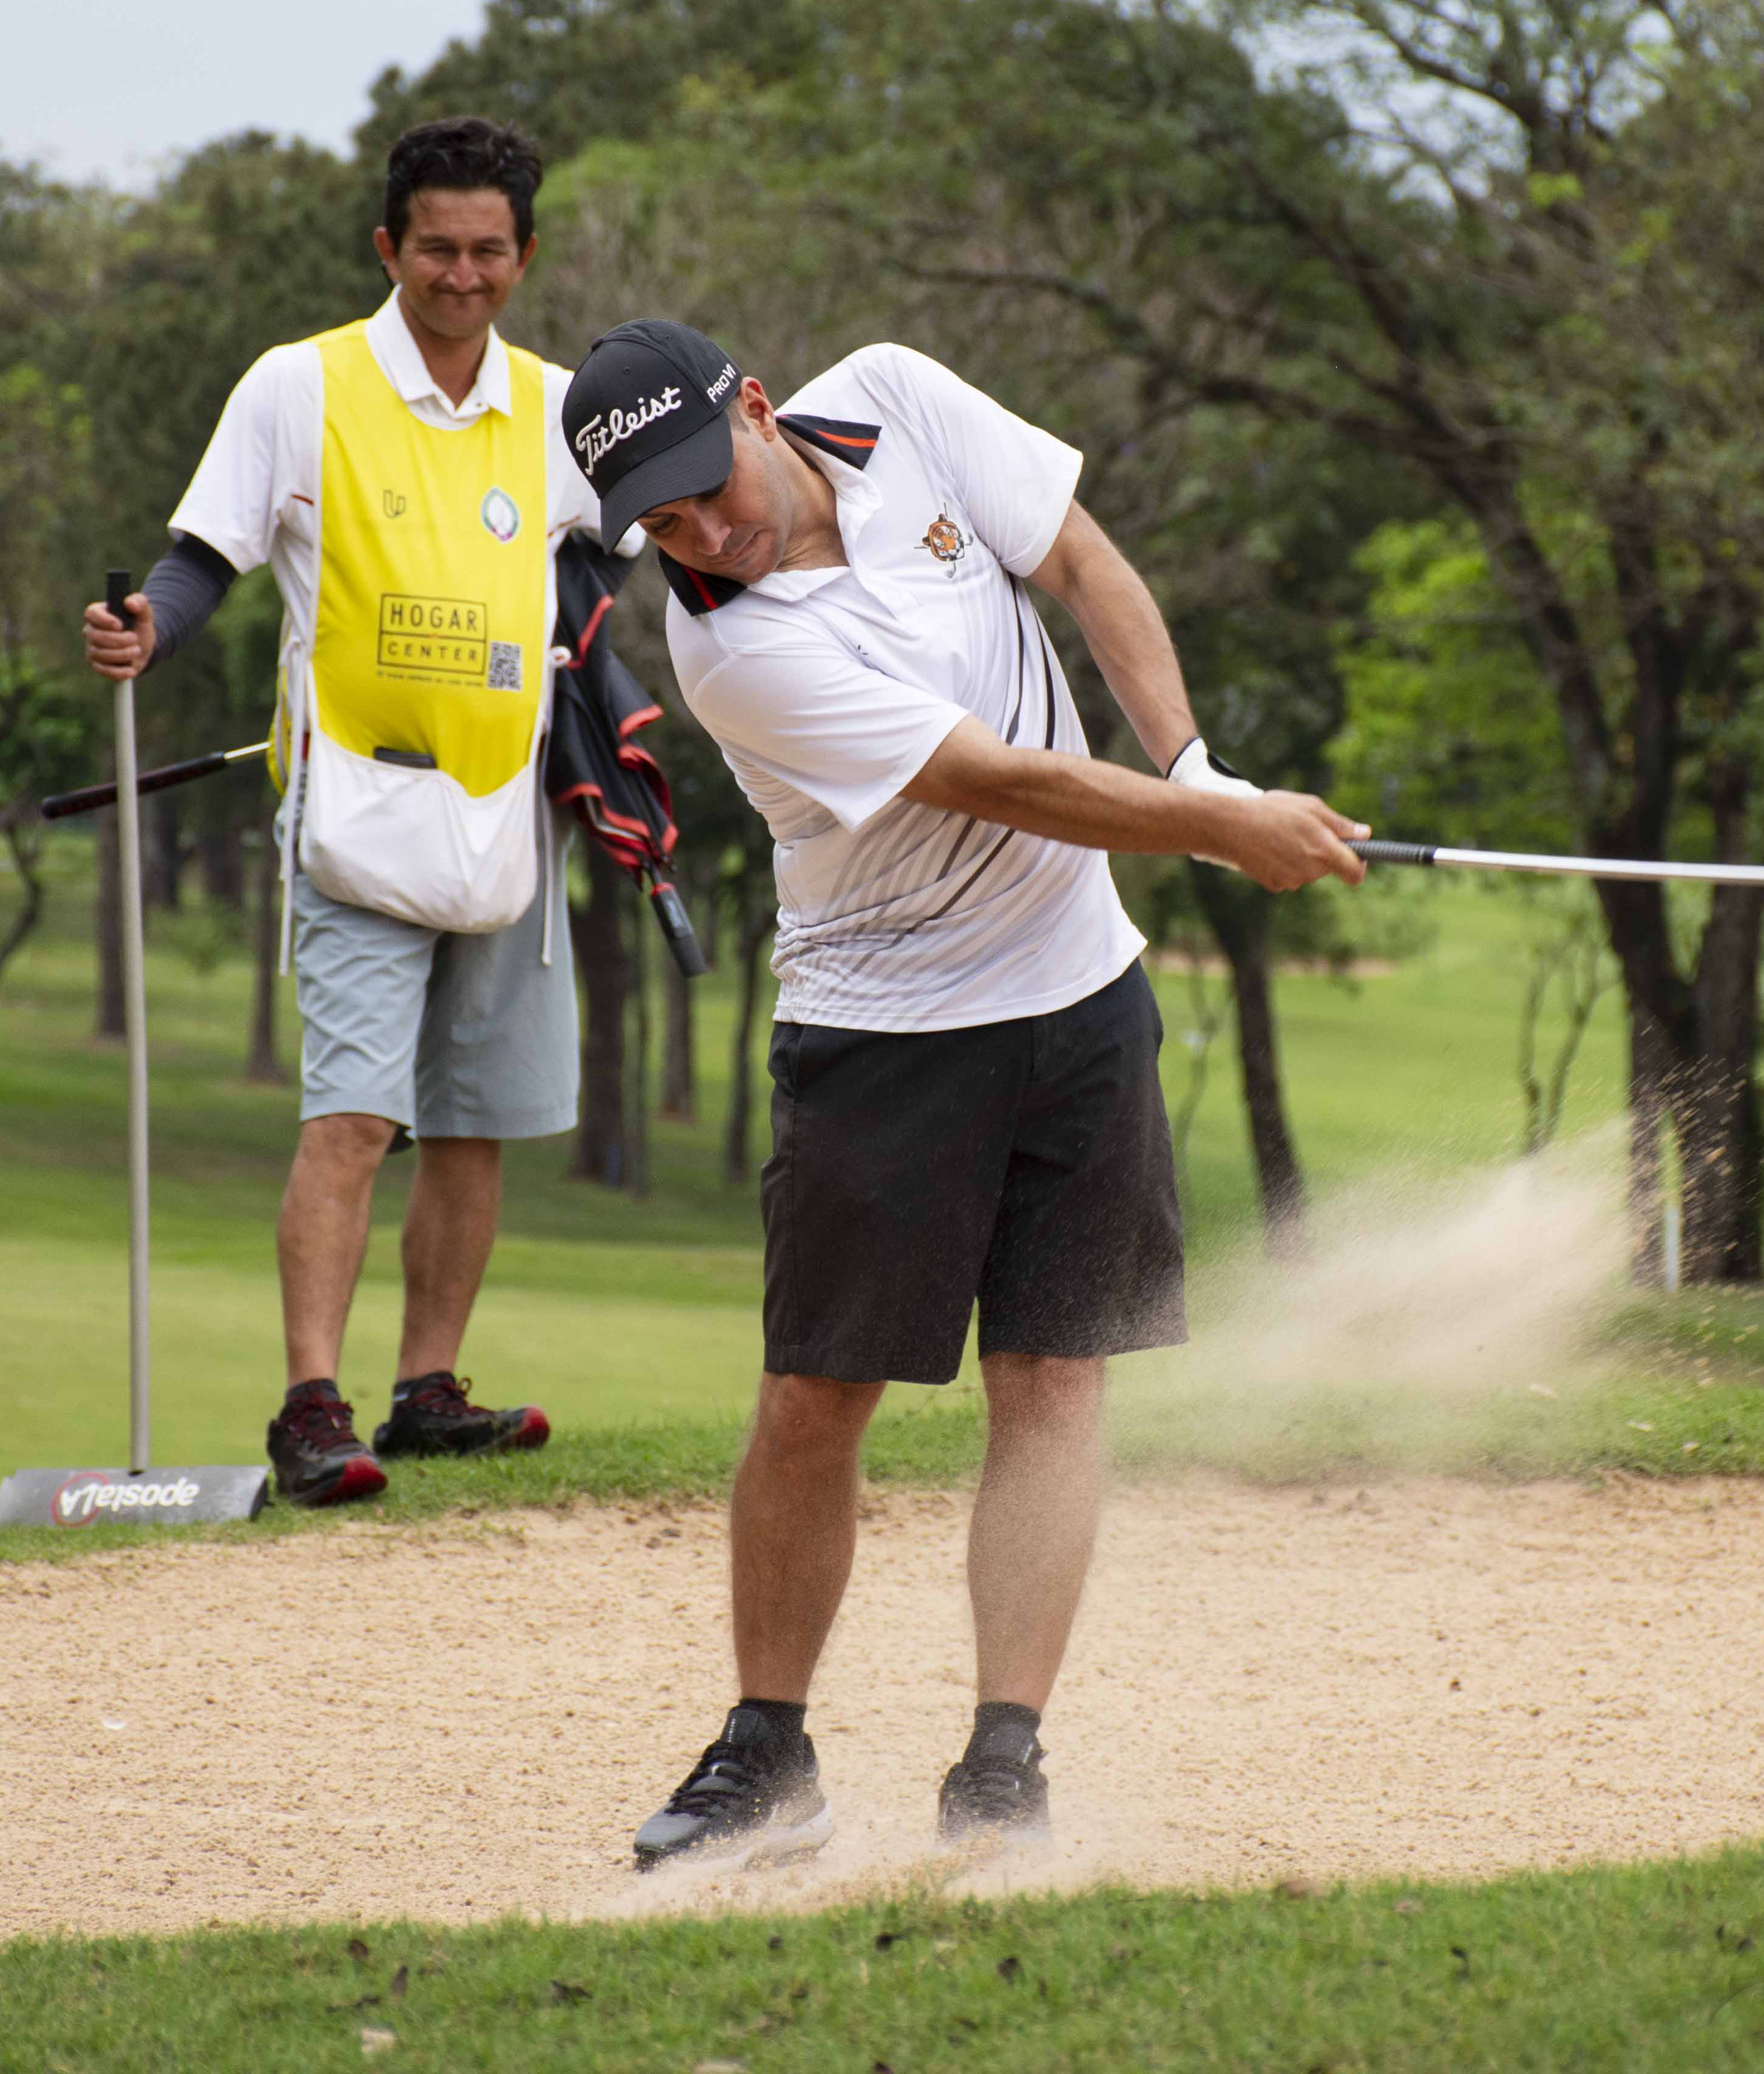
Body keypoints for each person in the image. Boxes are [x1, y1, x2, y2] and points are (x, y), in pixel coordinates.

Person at [556, 319, 1371, 1871]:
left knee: (1056, 1381)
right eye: (657, 523)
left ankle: (1005, 1760)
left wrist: (1198, 773)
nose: (700, 532)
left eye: (704, 485)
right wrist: (1224, 836)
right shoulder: (731, 650)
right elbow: (997, 777)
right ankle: (769, 1752)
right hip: (888, 1028)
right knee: (815, 1399)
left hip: (1080, 995)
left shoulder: (891, 396)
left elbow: (1082, 562)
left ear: (752, 403)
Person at [79, 117, 598, 1506]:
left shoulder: (554, 408)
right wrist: (150, 629)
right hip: (356, 809)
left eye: (490, 249)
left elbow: (609, 564)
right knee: (356, 1115)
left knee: (477, 1119)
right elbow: (203, 557)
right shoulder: (298, 386)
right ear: (390, 246)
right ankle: (313, 1405)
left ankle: (428, 1389)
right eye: (437, 246)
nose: (462, 272)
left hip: (508, 813)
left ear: (524, 256)